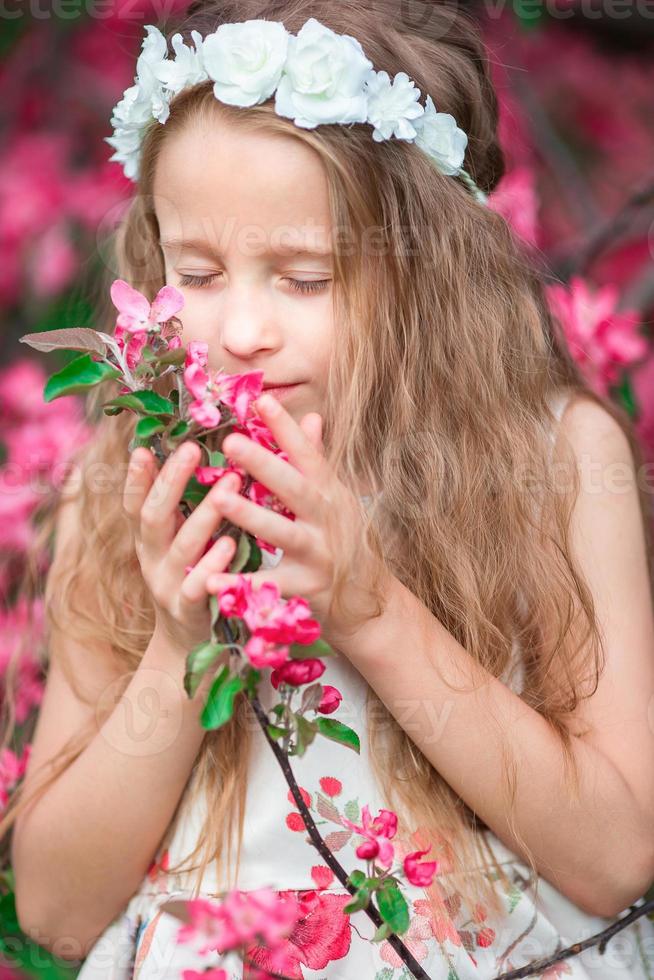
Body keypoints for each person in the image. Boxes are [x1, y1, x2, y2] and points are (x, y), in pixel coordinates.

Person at [4, 1, 654, 977]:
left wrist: (370, 607)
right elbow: (55, 906)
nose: (242, 328)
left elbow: (612, 858)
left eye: (305, 278)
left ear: (430, 271)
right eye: (200, 270)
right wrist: (181, 644)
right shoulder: (133, 482)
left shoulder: (556, 461)